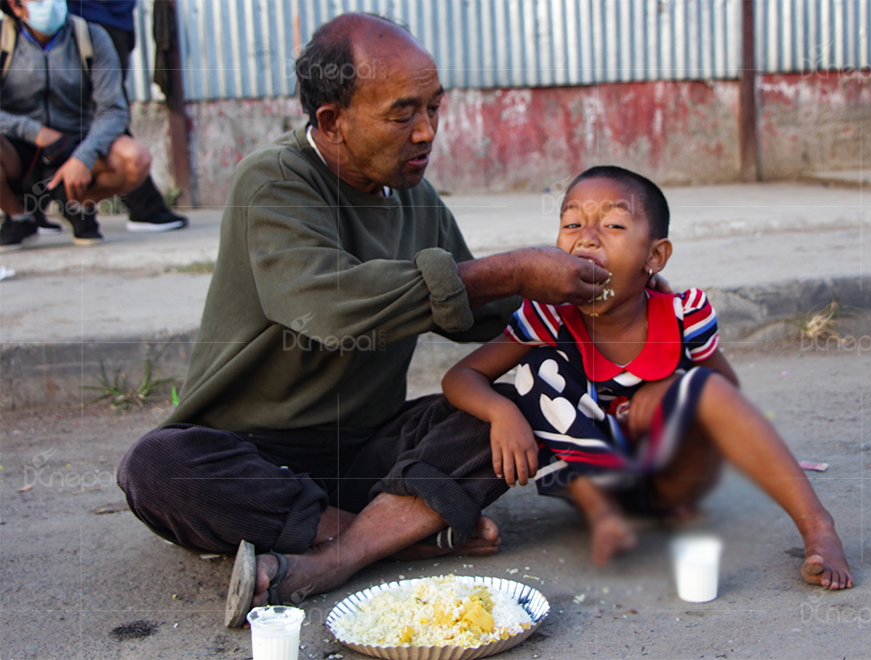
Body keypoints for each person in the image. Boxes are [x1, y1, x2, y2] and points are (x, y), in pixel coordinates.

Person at [115, 14, 645, 628]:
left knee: (523, 392)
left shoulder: (415, 197)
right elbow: (328, 306)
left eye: (434, 109)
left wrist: (588, 290)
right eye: (402, 114)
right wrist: (512, 271)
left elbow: (475, 312)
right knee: (156, 467)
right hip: (253, 453)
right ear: (332, 122)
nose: (426, 133)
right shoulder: (273, 180)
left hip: (366, 450)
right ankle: (386, 535)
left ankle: (336, 552)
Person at [442, 166, 854, 589]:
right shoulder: (548, 317)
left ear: (654, 257)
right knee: (537, 372)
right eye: (571, 224)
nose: (587, 237)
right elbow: (461, 376)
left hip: (671, 478)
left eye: (614, 224)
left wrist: (677, 382)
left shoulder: (683, 316)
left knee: (701, 388)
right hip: (592, 482)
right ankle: (605, 517)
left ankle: (817, 525)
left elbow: (726, 397)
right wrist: (500, 412)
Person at [0, 0, 151, 249]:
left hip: (76, 142)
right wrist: (34, 132)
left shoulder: (91, 36)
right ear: (16, 7)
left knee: (136, 159)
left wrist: (84, 157)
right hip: (19, 148)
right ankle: (18, 217)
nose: (49, 4)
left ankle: (79, 205)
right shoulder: (5, 41)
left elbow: (113, 110)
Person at [67, 0, 187, 232]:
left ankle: (140, 205)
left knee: (108, 113)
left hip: (104, 19)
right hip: (82, 20)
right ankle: (32, 211)